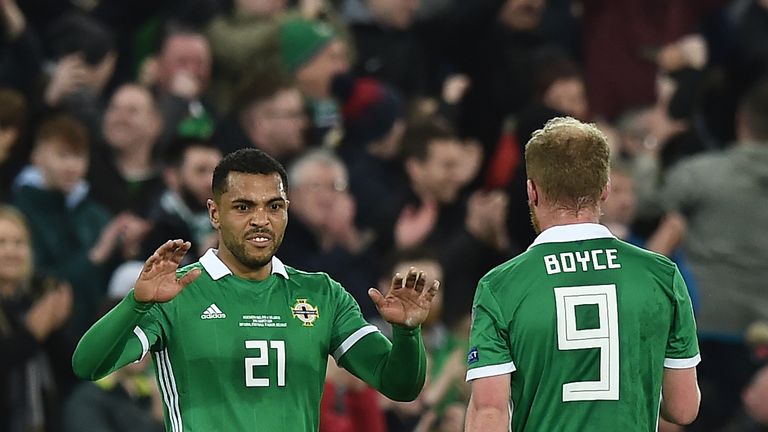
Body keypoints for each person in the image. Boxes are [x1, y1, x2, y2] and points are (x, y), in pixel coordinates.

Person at [72, 148, 440, 431]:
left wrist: (407, 333)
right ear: (215, 213)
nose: (261, 219)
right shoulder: (176, 291)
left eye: (274, 206)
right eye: (243, 206)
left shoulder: (322, 294)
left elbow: (401, 386)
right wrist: (135, 304)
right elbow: (88, 365)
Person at [464, 117, 701, 431]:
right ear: (605, 189)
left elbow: (488, 412)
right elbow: (683, 408)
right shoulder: (661, 275)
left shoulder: (500, 286)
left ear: (532, 191)